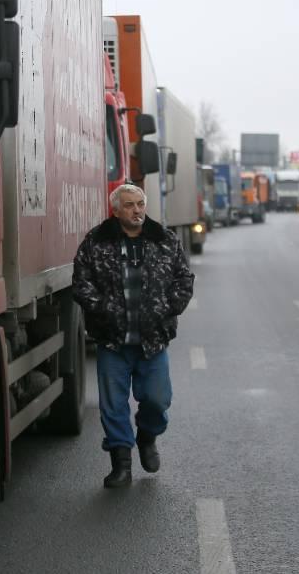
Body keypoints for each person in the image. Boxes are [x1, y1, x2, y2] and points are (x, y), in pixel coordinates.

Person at [72, 184, 194, 488]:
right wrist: (103, 309)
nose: (137, 210)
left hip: (153, 340)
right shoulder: (96, 241)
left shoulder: (164, 240)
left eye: (140, 204)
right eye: (129, 205)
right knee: (112, 405)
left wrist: (168, 307)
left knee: (157, 399)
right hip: (113, 340)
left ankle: (147, 436)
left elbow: (184, 278)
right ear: (116, 209)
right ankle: (121, 464)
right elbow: (81, 281)